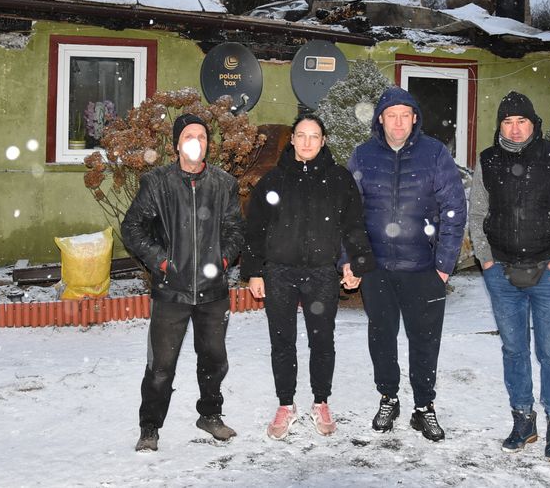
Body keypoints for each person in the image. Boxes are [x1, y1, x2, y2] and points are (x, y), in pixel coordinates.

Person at [468, 91, 550, 463]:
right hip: (502, 273)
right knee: (514, 350)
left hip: (548, 273)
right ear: (500, 126)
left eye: (522, 121)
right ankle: (523, 420)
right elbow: (477, 215)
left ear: (534, 124)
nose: (515, 128)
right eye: (508, 121)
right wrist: (487, 261)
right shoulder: (488, 160)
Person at [242, 113, 376, 440]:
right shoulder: (273, 181)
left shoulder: (339, 180)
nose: (307, 142)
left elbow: (354, 226)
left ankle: (321, 401)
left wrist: (355, 264)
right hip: (279, 273)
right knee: (282, 341)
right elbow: (255, 230)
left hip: (321, 274)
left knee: (322, 340)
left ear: (323, 140)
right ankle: (286, 404)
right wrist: (254, 271)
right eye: (301, 135)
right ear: (292, 139)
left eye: (314, 136)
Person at [346, 86, 467, 442]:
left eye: (404, 115)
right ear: (380, 118)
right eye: (390, 115)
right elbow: (348, 213)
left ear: (414, 118)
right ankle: (389, 397)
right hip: (377, 270)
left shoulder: (435, 154)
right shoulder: (363, 156)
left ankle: (424, 406)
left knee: (425, 340)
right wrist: (351, 260)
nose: (398, 123)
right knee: (381, 337)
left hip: (424, 269)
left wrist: (443, 264)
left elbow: (454, 210)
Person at [121, 113, 245, 452]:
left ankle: (210, 415)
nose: (196, 141)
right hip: (170, 292)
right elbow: (132, 228)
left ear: (208, 144)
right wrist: (162, 261)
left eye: (202, 137)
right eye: (189, 135)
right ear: (177, 143)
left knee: (214, 359)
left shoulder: (223, 184)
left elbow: (235, 231)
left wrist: (221, 260)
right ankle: (150, 427)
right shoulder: (157, 182)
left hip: (213, 293)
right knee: (161, 366)